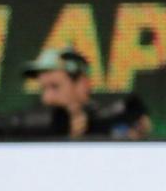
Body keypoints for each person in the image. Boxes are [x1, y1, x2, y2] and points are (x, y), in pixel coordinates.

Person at [22, 48, 151, 139]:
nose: (46, 98)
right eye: (43, 89)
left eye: (55, 87)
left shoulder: (113, 124)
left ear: (81, 85)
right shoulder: (31, 128)